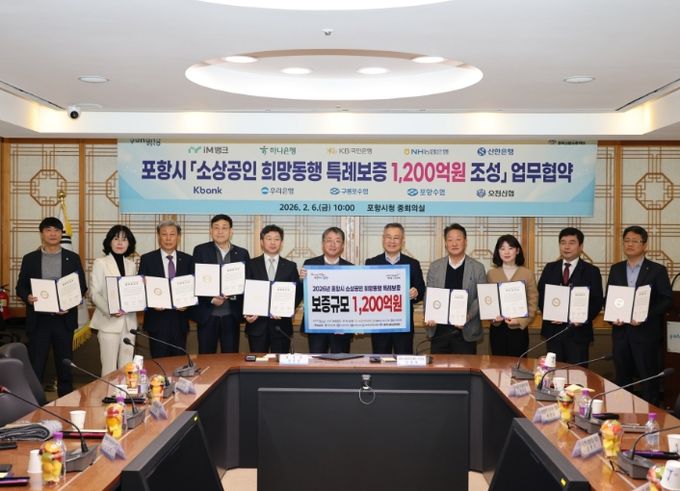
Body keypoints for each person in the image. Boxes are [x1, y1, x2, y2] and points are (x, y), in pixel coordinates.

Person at [15, 217, 87, 396]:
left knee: (65, 366)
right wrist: (28, 297)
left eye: (56, 230)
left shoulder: (72, 258)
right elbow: (20, 287)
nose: (53, 234)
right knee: (36, 365)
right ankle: (35, 402)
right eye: (48, 230)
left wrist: (69, 304)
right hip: (39, 321)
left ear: (62, 233)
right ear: (41, 234)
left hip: (64, 320)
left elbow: (81, 287)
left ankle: (66, 401)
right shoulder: (30, 258)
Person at [606, 225, 672, 405]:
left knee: (648, 378)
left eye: (635, 241)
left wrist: (645, 315)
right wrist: (613, 317)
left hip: (645, 333)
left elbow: (666, 299)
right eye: (627, 240)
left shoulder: (657, 270)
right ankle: (622, 411)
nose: (630, 244)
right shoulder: (616, 269)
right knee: (622, 378)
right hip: (621, 333)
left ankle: (651, 415)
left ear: (644, 245)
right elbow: (610, 297)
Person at [537, 227, 603, 364]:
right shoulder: (550, 268)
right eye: (563, 242)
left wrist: (581, 318)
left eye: (572, 243)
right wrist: (551, 313)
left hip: (578, 333)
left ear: (581, 246)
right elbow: (541, 295)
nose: (566, 247)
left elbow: (596, 301)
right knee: (553, 372)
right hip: (553, 332)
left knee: (577, 373)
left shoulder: (591, 271)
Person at [425, 223, 487, 354]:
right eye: (450, 240)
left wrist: (468, 316)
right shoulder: (435, 267)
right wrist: (429, 315)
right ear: (445, 243)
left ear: (465, 241)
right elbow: (429, 294)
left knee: (466, 366)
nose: (454, 243)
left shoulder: (477, 267)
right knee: (438, 367)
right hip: (439, 331)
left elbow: (481, 297)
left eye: (458, 239)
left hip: (466, 330)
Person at [193, 215, 250, 354]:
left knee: (230, 357)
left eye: (224, 228)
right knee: (206, 357)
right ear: (210, 231)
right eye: (216, 228)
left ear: (231, 231)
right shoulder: (200, 250)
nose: (220, 231)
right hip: (208, 315)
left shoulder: (242, 253)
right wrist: (211, 299)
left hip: (232, 315)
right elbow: (195, 279)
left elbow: (247, 283)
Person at [365, 223, 425, 354]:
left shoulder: (413, 264)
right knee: (380, 361)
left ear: (402, 241)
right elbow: (365, 291)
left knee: (404, 362)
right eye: (388, 237)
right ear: (383, 239)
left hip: (403, 326)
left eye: (396, 238)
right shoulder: (371, 263)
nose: (392, 241)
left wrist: (416, 293)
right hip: (379, 326)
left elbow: (421, 290)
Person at [138, 220, 195, 358]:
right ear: (158, 237)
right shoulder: (147, 259)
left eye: (172, 234)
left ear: (178, 237)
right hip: (156, 321)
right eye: (164, 234)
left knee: (179, 362)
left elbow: (193, 287)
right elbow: (141, 288)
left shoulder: (188, 259)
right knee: (159, 363)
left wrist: (188, 303)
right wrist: (151, 302)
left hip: (179, 321)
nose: (168, 238)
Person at [90, 225, 139, 375]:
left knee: (127, 369)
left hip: (129, 324)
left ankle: (124, 392)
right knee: (109, 370)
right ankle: (108, 392)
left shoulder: (131, 265)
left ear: (129, 243)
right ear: (109, 241)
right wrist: (110, 310)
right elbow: (94, 293)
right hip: (109, 322)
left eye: (124, 239)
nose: (120, 243)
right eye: (116, 238)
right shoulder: (100, 262)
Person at [244, 225, 301, 353]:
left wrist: (286, 309)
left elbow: (297, 293)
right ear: (262, 242)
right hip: (257, 325)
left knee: (280, 363)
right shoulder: (251, 264)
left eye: (276, 239)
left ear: (281, 242)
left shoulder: (290, 266)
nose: (273, 242)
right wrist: (247, 313)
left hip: (281, 326)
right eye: (269, 238)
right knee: (258, 363)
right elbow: (244, 291)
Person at [300, 227, 353, 353]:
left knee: (341, 361)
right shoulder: (310, 264)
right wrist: (301, 280)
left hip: (342, 326)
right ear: (323, 244)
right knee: (316, 361)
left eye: (337, 241)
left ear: (342, 246)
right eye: (329, 240)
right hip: (317, 324)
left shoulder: (350, 268)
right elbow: (302, 294)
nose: (333, 244)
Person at [486, 234, 538, 356]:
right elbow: (487, 300)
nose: (506, 252)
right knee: (497, 364)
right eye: (502, 248)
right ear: (498, 251)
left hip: (518, 329)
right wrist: (492, 317)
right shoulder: (491, 274)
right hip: (497, 328)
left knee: (518, 364)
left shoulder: (527, 274)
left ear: (517, 250)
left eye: (510, 248)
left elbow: (533, 301)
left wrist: (520, 321)